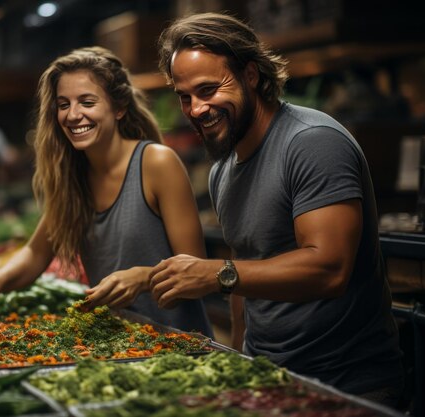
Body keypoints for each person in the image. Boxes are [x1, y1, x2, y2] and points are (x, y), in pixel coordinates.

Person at [149, 12, 403, 407]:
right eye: (186, 97)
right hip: (269, 380)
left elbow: (329, 268)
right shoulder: (223, 171)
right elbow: (242, 277)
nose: (197, 109)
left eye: (209, 89)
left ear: (251, 75)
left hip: (347, 387)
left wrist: (216, 273)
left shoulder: (311, 142)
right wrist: (237, 366)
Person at [0, 46, 212, 336]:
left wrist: (143, 277)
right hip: (116, 346)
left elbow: (197, 268)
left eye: (87, 102)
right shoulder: (73, 178)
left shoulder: (156, 162)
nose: (73, 115)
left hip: (180, 346)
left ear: (119, 108)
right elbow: (36, 252)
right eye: (64, 104)